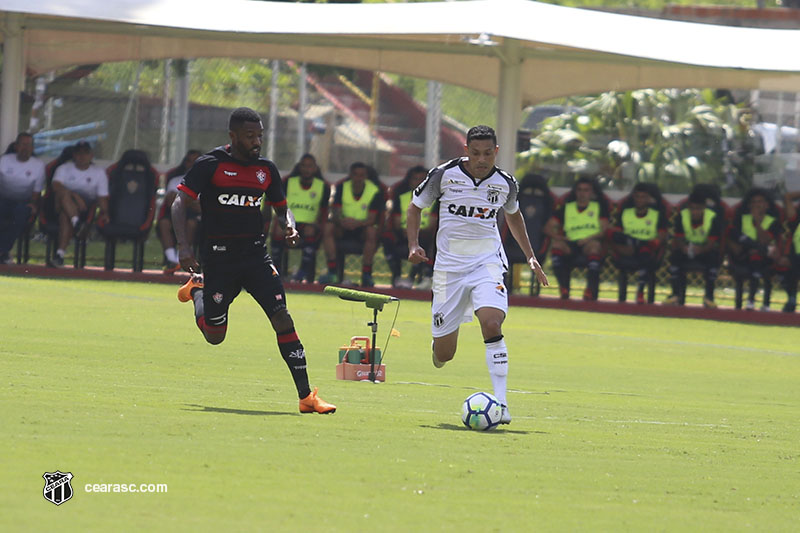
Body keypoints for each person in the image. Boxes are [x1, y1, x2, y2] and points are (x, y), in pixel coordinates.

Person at [171, 106, 335, 415]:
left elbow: (282, 206)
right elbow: (180, 204)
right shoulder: (210, 165)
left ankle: (306, 396)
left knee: (282, 317)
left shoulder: (266, 169)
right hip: (219, 260)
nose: (256, 141)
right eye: (250, 136)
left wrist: (290, 224)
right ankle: (197, 291)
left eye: (259, 135)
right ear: (232, 136)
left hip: (256, 257)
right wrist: (183, 247)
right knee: (215, 336)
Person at [407, 125, 549, 425]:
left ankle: (503, 404)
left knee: (492, 322)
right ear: (465, 151)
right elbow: (414, 208)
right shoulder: (443, 175)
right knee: (445, 354)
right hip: (449, 270)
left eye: (487, 153)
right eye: (475, 153)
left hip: (487, 263)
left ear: (495, 151)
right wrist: (413, 244)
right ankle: (438, 345)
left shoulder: (506, 183)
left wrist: (531, 256)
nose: (481, 159)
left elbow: (513, 215)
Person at [318, 161, 385, 287]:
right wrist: (342, 221)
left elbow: (372, 218)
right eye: (355, 174)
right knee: (328, 227)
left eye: (362, 175)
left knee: (372, 231)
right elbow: (335, 212)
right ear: (350, 175)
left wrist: (357, 223)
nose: (358, 178)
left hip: (362, 229)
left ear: (366, 176)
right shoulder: (342, 187)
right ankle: (332, 272)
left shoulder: (375, 190)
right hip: (343, 227)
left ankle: (366, 274)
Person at [545, 177, 610, 301]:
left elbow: (603, 230)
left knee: (594, 246)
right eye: (579, 190)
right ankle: (563, 287)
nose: (582, 193)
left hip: (589, 242)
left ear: (591, 192)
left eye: (586, 190)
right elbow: (548, 227)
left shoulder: (598, 207)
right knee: (557, 245)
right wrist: (558, 237)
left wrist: (588, 239)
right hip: (570, 243)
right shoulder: (567, 208)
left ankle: (590, 289)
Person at [269, 153, 330, 283]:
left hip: (310, 225)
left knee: (310, 231)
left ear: (315, 168)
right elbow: (278, 203)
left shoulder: (323, 186)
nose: (306, 169)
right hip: (289, 223)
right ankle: (277, 271)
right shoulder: (287, 182)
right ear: (299, 167)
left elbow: (324, 211)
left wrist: (319, 225)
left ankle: (302, 273)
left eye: (310, 166)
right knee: (278, 230)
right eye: (304, 166)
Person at [49, 141, 109, 267]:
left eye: (85, 153)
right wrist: (74, 195)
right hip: (61, 203)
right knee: (65, 194)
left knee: (65, 217)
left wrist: (104, 212)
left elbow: (102, 196)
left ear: (91, 155)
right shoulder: (64, 168)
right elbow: (56, 186)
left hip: (85, 207)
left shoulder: (98, 172)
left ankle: (60, 255)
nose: (82, 156)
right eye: (79, 153)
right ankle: (77, 224)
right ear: (74, 155)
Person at [663, 188, 723, 308]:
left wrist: (700, 249)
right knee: (675, 257)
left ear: (704, 208)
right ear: (689, 207)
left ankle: (709, 297)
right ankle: (675, 295)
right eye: (692, 209)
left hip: (705, 250)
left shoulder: (712, 217)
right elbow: (678, 238)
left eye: (698, 209)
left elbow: (712, 242)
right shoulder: (682, 216)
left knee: (713, 259)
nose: (695, 212)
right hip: (687, 249)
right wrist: (684, 247)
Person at [609, 182, 668, 304]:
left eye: (643, 197)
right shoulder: (626, 213)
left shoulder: (657, 215)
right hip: (627, 247)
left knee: (645, 251)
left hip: (648, 248)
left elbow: (661, 236)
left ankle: (640, 291)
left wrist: (652, 243)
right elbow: (618, 233)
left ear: (649, 198)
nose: (640, 200)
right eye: (637, 196)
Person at [727, 188, 782, 311]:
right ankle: (749, 301)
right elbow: (735, 238)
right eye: (753, 202)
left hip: (764, 257)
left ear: (767, 205)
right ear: (749, 205)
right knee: (756, 254)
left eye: (760, 202)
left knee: (758, 256)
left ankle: (756, 301)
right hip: (745, 255)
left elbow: (764, 240)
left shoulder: (772, 221)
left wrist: (757, 221)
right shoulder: (742, 219)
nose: (756, 205)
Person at [384, 165, 435, 289]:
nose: (419, 183)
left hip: (425, 236)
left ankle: (419, 277)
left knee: (431, 240)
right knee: (386, 237)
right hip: (403, 235)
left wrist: (416, 234)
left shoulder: (435, 200)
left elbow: (434, 223)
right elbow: (396, 222)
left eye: (422, 180)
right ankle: (397, 276)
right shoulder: (401, 198)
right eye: (415, 179)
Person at [0, 132, 46, 264]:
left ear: (32, 148)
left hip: (24, 202)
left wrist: (32, 203)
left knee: (21, 212)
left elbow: (37, 190)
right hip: (3, 200)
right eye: (22, 144)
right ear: (16, 146)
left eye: (29, 145)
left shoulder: (38, 166)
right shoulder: (4, 161)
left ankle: (3, 251)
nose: (25, 148)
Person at [157, 149, 202, 273]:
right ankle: (172, 259)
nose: (191, 165)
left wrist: (186, 202)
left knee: (191, 224)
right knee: (164, 223)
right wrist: (191, 202)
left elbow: (201, 207)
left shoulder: (206, 181)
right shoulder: (175, 180)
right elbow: (171, 202)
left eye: (195, 161)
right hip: (177, 215)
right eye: (189, 161)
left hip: (197, 217)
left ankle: (182, 255)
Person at [777, 190, 800, 313]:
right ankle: (791, 299)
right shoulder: (796, 216)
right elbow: (787, 196)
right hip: (796, 254)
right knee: (785, 268)